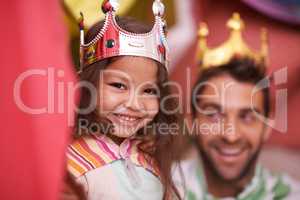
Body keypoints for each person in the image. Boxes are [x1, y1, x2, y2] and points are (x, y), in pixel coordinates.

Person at [174, 13, 300, 200]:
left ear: (266, 126)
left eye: (247, 117)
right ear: (191, 121)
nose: (231, 135)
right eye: (214, 115)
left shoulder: (291, 195)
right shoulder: (156, 188)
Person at [66, 0, 181, 199]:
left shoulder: (152, 161)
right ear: (87, 87)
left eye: (149, 91)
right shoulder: (70, 167)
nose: (134, 104)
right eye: (119, 86)